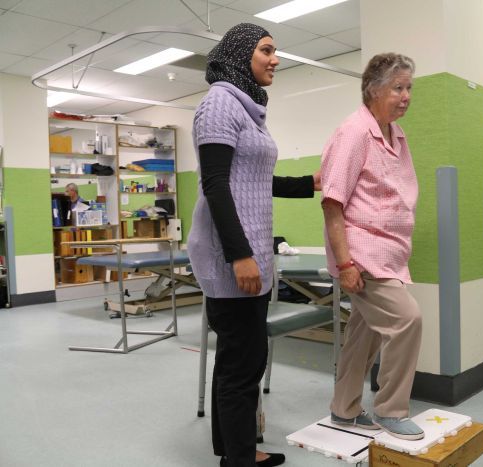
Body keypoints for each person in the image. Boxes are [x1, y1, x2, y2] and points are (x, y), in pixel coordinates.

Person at [188, 23, 319, 467]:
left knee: (236, 359)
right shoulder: (219, 105)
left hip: (252, 251)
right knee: (243, 363)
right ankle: (241, 460)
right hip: (234, 256)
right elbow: (216, 184)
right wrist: (239, 255)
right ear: (242, 53)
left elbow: (257, 180)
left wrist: (310, 183)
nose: (275, 59)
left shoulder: (245, 109)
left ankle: (235, 451)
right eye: (266, 50)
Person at [320, 53, 424, 441]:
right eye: (398, 87)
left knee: (366, 334)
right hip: (363, 256)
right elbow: (333, 203)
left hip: (391, 254)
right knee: (406, 320)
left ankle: (343, 409)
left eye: (409, 87)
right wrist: (346, 263)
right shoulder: (354, 133)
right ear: (373, 90)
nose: (406, 96)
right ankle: (391, 410)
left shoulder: (396, 135)